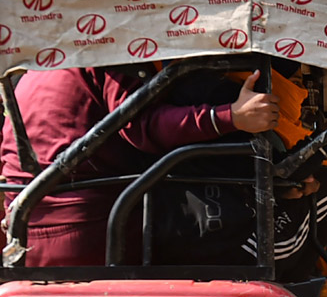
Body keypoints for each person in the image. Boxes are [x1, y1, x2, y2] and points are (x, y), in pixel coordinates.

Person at [1, 66, 279, 267]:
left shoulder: (33, 72)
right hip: (97, 229)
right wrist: (230, 117)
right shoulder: (106, 59)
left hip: (22, 232)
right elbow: (141, 126)